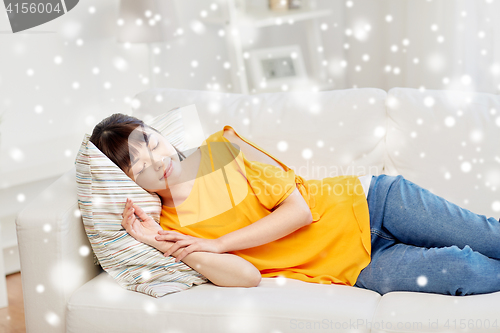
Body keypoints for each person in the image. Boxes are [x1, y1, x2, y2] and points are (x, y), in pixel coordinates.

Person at [90, 113, 500, 296]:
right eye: (136, 164)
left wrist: (218, 243)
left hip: (374, 201)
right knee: (462, 271)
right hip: (353, 267)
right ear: (127, 180)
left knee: (488, 236)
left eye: (149, 141)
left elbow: (300, 211)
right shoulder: (174, 226)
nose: (155, 160)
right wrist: (165, 243)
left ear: (158, 132)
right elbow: (247, 276)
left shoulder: (219, 150)